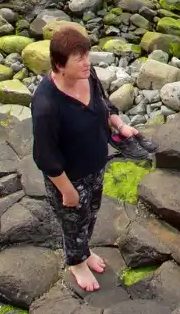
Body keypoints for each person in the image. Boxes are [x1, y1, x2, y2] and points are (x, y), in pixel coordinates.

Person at [32, 26, 145, 291]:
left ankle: (85, 252)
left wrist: (120, 125)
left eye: (87, 55)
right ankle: (76, 263)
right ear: (59, 65)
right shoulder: (47, 105)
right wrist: (68, 192)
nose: (87, 63)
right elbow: (44, 156)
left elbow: (103, 105)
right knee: (73, 223)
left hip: (96, 164)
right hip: (69, 178)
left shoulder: (88, 75)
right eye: (79, 58)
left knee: (91, 215)